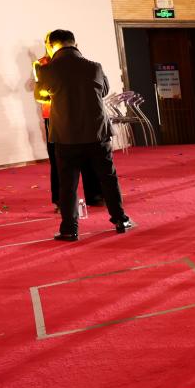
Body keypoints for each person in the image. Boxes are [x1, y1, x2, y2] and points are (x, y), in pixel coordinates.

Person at [33, 29, 133, 241]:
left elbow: (40, 96)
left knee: (68, 184)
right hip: (96, 132)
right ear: (75, 44)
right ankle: (120, 220)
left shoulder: (47, 70)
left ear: (51, 46)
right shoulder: (94, 66)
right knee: (108, 178)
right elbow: (103, 91)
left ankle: (69, 229)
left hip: (66, 135)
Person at [32, 46, 103, 213]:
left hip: (81, 115)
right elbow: (41, 94)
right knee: (60, 162)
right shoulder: (42, 65)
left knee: (88, 157)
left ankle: (95, 195)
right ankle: (61, 201)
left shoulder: (85, 63)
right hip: (55, 116)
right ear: (49, 45)